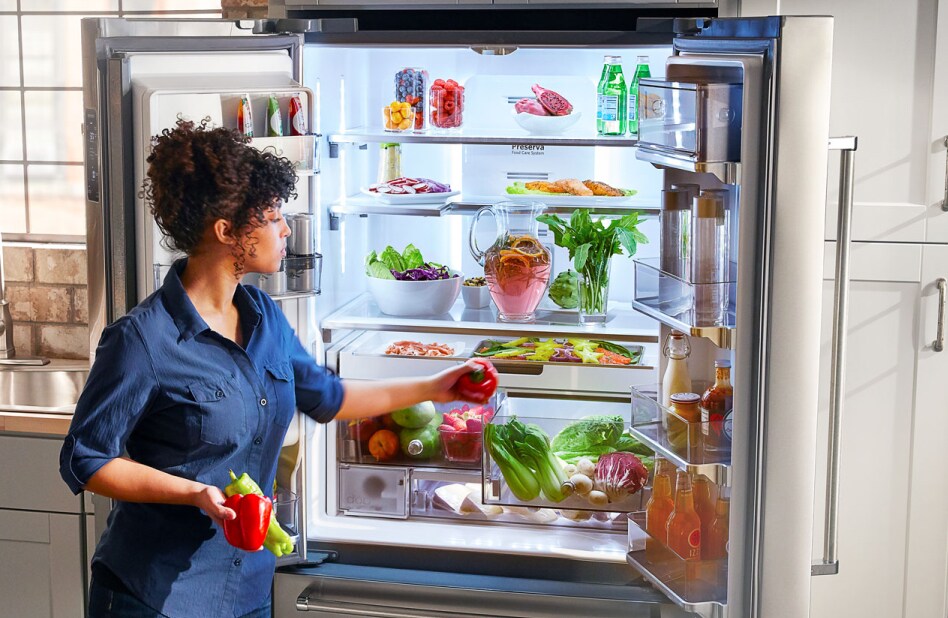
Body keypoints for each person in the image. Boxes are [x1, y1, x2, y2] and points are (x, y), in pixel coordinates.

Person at [59, 120, 483, 618]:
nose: (285, 228)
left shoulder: (265, 318)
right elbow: (87, 459)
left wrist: (437, 385)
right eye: (273, 215)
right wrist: (196, 493)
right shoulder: (143, 340)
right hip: (153, 597)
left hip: (246, 591)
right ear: (226, 232)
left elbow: (330, 398)